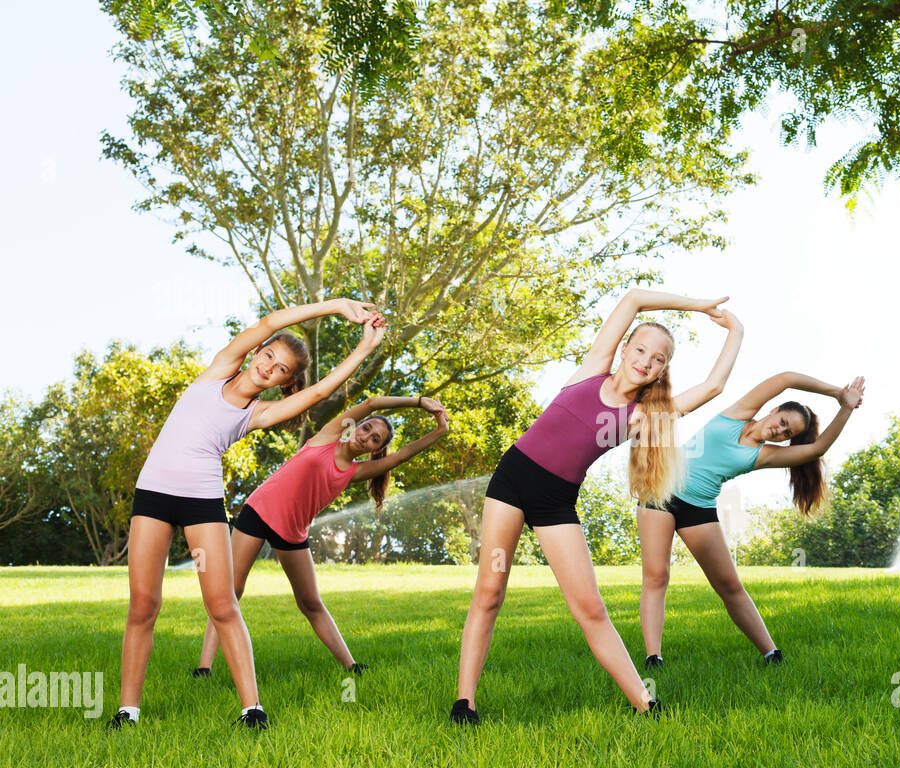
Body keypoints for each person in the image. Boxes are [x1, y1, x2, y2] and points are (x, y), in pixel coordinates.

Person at [450, 290, 744, 724]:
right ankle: (465, 703)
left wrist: (736, 329)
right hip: (513, 479)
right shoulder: (591, 371)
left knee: (590, 608)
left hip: (556, 501)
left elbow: (714, 386)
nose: (646, 360)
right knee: (490, 592)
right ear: (624, 349)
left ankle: (647, 705)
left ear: (663, 371)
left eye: (659, 359)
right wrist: (698, 306)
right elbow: (635, 298)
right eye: (641, 349)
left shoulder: (646, 414)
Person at [108, 298, 387, 731]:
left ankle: (252, 710)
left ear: (282, 383)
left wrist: (365, 347)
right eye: (269, 355)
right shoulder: (219, 368)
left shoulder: (258, 413)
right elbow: (270, 321)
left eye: (280, 371)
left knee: (223, 604)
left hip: (201, 503)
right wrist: (336, 306)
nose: (269, 367)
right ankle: (127, 712)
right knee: (144, 604)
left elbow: (318, 392)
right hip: (153, 496)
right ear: (257, 351)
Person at [192, 396, 450, 677]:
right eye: (366, 429)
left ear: (376, 449)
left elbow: (404, 454)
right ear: (356, 425)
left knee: (311, 603)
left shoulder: (356, 471)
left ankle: (352, 666)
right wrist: (419, 402)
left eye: (375, 439)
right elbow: (372, 402)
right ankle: (204, 667)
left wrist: (440, 431)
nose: (367, 438)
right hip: (259, 511)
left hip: (292, 531)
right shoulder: (327, 436)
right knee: (231, 591)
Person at [637, 372, 865, 667]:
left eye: (787, 434)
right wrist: (836, 391)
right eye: (782, 422)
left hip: (698, 509)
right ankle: (653, 657)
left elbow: (816, 449)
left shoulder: (764, 455)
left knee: (730, 585)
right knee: (656, 576)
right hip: (659, 493)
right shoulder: (738, 413)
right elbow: (786, 378)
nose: (780, 432)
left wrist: (845, 409)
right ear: (774, 410)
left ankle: (772, 654)